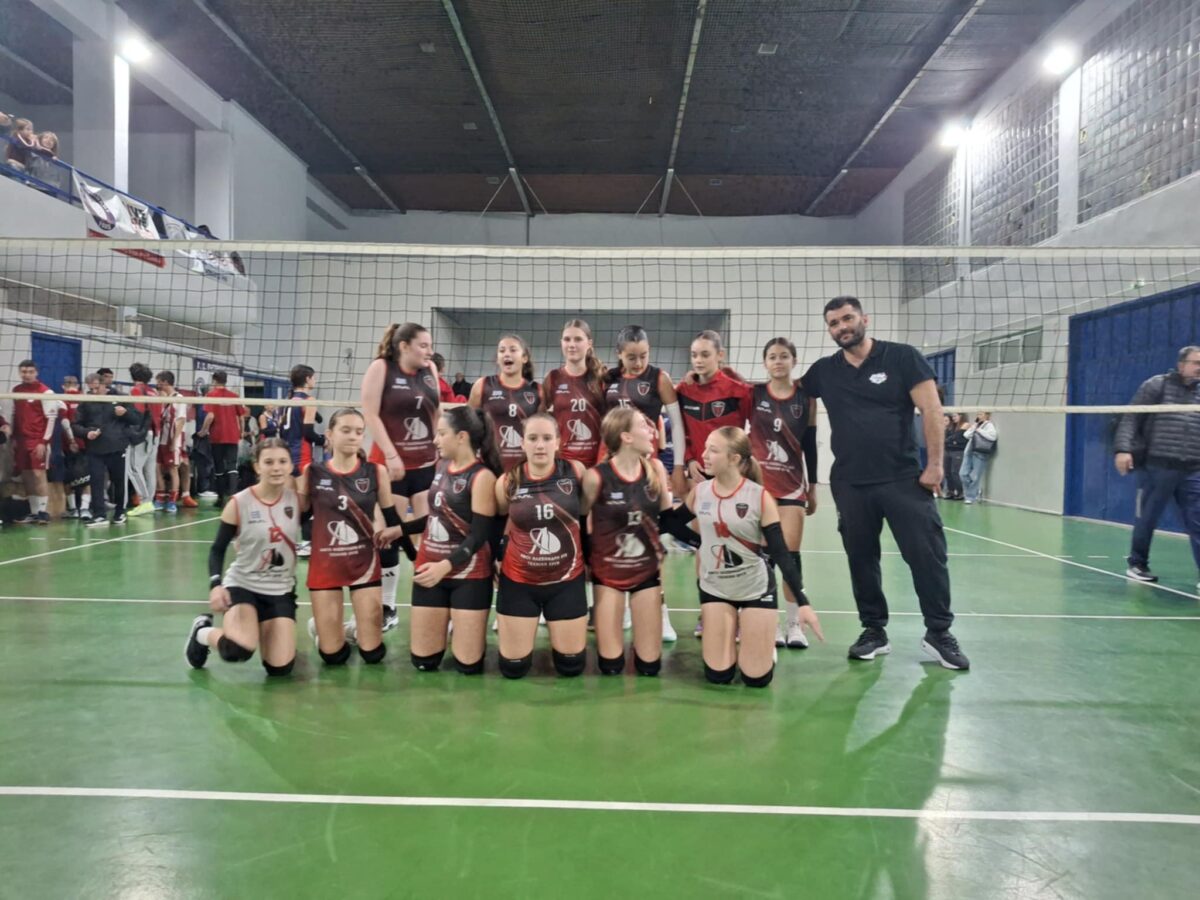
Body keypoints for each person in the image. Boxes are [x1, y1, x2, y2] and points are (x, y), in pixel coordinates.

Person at [802, 296, 969, 670]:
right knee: (861, 559)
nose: (842, 327)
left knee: (927, 555)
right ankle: (873, 630)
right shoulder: (824, 371)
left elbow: (931, 409)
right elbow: (788, 393)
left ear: (865, 319)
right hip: (850, 483)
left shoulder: (902, 357)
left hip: (903, 478)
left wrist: (935, 465)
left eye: (847, 318)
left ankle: (939, 632)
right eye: (833, 323)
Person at [659, 427, 823, 687]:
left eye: (713, 450)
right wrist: (700, 542)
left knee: (756, 678)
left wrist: (803, 603)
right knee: (718, 676)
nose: (704, 455)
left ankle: (760, 641)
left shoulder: (759, 497)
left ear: (734, 459)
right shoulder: (700, 492)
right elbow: (670, 524)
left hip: (754, 588)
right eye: (706, 448)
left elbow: (781, 553)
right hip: (715, 588)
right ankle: (744, 638)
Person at [184, 438, 301, 676]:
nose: (276, 468)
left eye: (282, 462)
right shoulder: (240, 502)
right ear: (257, 466)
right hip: (244, 585)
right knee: (237, 650)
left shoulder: (297, 500)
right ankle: (202, 632)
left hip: (280, 589)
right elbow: (217, 549)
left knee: (280, 668)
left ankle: (261, 626)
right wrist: (216, 585)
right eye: (269, 462)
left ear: (290, 466)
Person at [298, 409, 399, 668]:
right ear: (329, 434)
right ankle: (326, 628)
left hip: (363, 564)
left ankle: (351, 630)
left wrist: (412, 555)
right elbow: (298, 516)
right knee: (333, 657)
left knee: (373, 654)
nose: (353, 436)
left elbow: (391, 519)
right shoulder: (313, 472)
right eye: (345, 430)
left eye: (358, 432)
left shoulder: (375, 471)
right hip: (325, 564)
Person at [493, 412, 591, 678]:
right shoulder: (508, 480)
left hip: (566, 580)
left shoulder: (576, 472)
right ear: (522, 442)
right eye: (533, 438)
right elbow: (499, 520)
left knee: (571, 667)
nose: (540, 445)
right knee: (513, 668)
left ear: (558, 442)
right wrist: (496, 555)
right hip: (519, 582)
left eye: (547, 438)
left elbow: (586, 514)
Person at [409, 406, 500, 674]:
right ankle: (446, 624)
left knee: (468, 666)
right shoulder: (441, 466)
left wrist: (444, 567)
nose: (435, 440)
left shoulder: (482, 476)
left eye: (441, 433)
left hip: (467, 573)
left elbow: (479, 535)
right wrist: (399, 530)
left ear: (461, 437)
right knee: (423, 662)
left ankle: (461, 626)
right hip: (430, 568)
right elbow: (435, 515)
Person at [583, 408, 673, 676]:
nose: (652, 431)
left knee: (649, 667)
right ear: (626, 437)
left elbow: (670, 519)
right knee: (610, 667)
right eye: (644, 426)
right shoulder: (596, 476)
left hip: (646, 572)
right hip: (607, 573)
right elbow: (579, 522)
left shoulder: (655, 469)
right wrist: (585, 563)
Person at [675, 330, 753, 636]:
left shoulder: (738, 391)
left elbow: (751, 431)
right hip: (701, 478)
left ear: (720, 355)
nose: (698, 360)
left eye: (705, 354)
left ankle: (740, 612)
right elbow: (681, 430)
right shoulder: (684, 390)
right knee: (704, 546)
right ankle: (706, 612)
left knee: (738, 545)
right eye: (694, 355)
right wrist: (690, 459)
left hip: (733, 479)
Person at [362, 323, 439, 630]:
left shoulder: (430, 369)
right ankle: (388, 605)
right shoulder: (382, 368)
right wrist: (391, 453)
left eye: (430, 345)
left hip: (426, 465)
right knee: (388, 535)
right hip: (389, 466)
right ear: (404, 346)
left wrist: (441, 445)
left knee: (431, 535)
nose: (429, 351)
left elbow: (436, 412)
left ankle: (434, 606)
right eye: (423, 345)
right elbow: (370, 413)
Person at [748, 337, 819, 650]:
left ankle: (794, 624)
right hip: (760, 487)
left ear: (794, 360)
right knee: (764, 557)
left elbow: (810, 445)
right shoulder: (754, 394)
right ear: (765, 362)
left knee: (790, 556)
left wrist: (812, 486)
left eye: (784, 356)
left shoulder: (806, 398)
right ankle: (771, 622)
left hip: (792, 485)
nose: (778, 361)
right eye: (773, 357)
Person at [1113, 345, 1200, 587]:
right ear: (1181, 365)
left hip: (1193, 468)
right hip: (1157, 466)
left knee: (1198, 519)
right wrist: (1122, 449)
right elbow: (1131, 418)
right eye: (1196, 363)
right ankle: (1138, 564)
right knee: (1147, 518)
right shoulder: (1156, 385)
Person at [71, 373, 141, 527]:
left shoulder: (121, 398)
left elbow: (137, 419)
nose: (94, 392)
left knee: (119, 481)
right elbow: (75, 425)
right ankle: (99, 515)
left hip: (117, 447)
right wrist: (86, 433)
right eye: (91, 389)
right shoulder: (86, 401)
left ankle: (120, 512)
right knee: (96, 481)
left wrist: (126, 413)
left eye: (97, 388)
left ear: (104, 385)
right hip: (95, 449)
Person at [469, 333, 542, 473]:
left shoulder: (537, 390)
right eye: (502, 351)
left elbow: (541, 429)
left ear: (524, 358)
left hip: (524, 467)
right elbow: (469, 424)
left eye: (513, 350)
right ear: (497, 358)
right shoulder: (482, 385)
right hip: (489, 465)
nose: (506, 354)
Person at [542, 319, 605, 468]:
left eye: (578, 339)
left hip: (596, 462)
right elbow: (541, 419)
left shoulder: (601, 376)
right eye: (567, 339)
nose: (571, 345)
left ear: (589, 343)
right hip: (562, 463)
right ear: (561, 343)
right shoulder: (553, 378)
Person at [9, 359, 57, 524]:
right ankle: (34, 512)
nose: (27, 375)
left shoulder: (45, 392)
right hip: (21, 440)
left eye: (30, 372)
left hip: (37, 440)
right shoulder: (16, 390)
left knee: (38, 474)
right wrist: (14, 438)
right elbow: (15, 416)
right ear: (19, 373)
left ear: (36, 372)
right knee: (27, 475)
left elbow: (51, 419)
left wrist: (44, 441)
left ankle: (43, 512)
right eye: (23, 372)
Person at [199, 371, 248, 508]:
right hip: (232, 435)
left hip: (217, 436)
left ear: (214, 380)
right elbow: (241, 417)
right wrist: (241, 432)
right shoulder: (234, 396)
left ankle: (221, 499)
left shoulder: (211, 395)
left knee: (219, 467)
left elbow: (210, 416)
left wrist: (203, 430)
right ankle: (233, 498)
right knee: (232, 466)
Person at [125, 363, 159, 516]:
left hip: (142, 435)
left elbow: (137, 414)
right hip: (154, 433)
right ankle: (149, 501)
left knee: (133, 468)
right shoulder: (154, 392)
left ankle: (145, 501)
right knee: (149, 470)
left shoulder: (136, 390)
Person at [154, 371, 188, 513]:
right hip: (161, 439)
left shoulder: (179, 398)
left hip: (173, 439)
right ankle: (160, 496)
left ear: (165, 382)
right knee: (157, 467)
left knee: (173, 469)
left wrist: (174, 441)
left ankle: (172, 501)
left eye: (159, 382)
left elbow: (181, 420)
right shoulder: (162, 398)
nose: (157, 385)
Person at [960, 412, 997, 504]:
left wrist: (979, 431)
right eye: (978, 414)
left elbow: (993, 437)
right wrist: (974, 428)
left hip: (980, 452)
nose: (978, 416)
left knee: (975, 476)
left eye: (981, 414)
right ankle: (975, 491)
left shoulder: (989, 425)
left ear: (987, 416)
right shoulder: (976, 425)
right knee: (963, 474)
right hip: (969, 451)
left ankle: (970, 497)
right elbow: (966, 435)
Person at [942, 413, 969, 500]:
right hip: (948, 450)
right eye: (953, 416)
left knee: (955, 472)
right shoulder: (952, 427)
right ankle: (951, 491)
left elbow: (956, 437)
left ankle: (960, 492)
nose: (953, 418)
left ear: (961, 416)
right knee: (947, 472)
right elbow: (948, 438)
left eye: (955, 416)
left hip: (958, 451)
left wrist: (951, 441)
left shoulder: (965, 425)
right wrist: (950, 441)